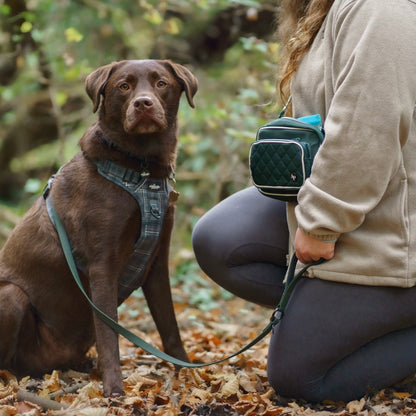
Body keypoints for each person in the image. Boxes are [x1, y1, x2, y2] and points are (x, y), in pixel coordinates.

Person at [192, 0, 416, 403]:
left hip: (397, 231)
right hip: (362, 202)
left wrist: (320, 222)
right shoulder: (327, 8)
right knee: (220, 238)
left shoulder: (382, 9)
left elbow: (366, 128)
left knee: (300, 379)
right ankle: (343, 322)